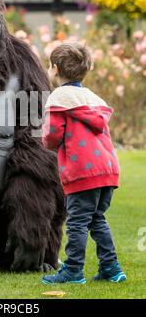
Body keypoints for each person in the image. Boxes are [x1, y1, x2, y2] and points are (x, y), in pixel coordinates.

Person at [41, 42, 126, 284]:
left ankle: (73, 270)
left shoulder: (59, 99)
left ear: (55, 69)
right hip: (107, 172)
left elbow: (52, 136)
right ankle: (111, 268)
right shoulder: (93, 99)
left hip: (81, 174)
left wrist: (46, 140)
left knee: (77, 223)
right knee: (97, 219)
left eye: (49, 66)